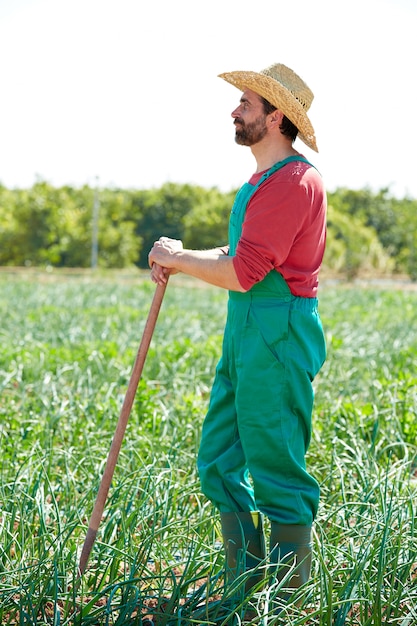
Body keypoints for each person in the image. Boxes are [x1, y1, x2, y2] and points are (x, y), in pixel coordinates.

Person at [148, 62, 327, 616]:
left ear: (276, 118)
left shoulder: (296, 182)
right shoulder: (261, 182)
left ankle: (287, 600)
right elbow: (236, 260)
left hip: (277, 332)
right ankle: (244, 585)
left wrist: (176, 259)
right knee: (219, 458)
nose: (234, 110)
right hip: (244, 330)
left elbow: (243, 271)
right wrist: (180, 259)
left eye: (246, 104)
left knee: (275, 461)